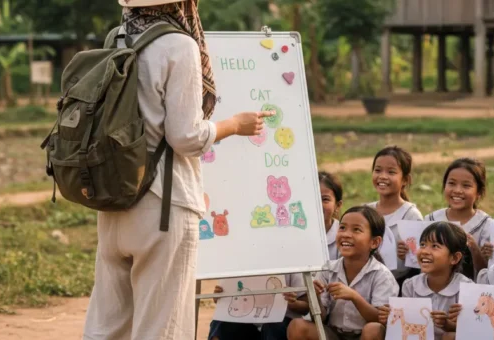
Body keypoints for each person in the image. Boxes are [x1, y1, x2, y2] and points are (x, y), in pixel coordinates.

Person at [84, 1, 274, 339]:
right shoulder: (179, 44)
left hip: (114, 199)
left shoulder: (118, 37)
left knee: (108, 323)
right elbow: (185, 136)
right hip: (163, 205)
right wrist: (232, 125)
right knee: (162, 326)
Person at [287, 206, 399, 340]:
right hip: (334, 334)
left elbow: (380, 319)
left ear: (374, 242)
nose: (346, 234)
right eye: (342, 228)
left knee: (373, 329)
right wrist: (315, 296)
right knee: (297, 326)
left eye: (356, 230)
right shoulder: (327, 269)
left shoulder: (382, 275)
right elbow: (320, 318)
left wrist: (354, 297)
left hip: (363, 335)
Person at [376, 222, 471, 340]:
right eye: (422, 244)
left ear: (455, 258)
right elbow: (406, 325)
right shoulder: (410, 285)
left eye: (435, 246)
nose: (425, 251)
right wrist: (389, 317)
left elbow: (471, 330)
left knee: (450, 336)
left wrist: (447, 324)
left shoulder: (466, 288)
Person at [365, 146, 423, 291]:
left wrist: (407, 255)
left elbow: (419, 263)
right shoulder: (365, 211)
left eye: (391, 172)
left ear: (405, 180)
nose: (383, 176)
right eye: (378, 170)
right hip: (365, 285)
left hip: (399, 287)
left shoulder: (411, 215)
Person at [424, 158, 490, 278]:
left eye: (466, 185)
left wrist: (475, 249)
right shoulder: (430, 220)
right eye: (452, 183)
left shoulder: (486, 225)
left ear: (479, 192)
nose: (457, 190)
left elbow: (487, 271)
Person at [320, 171, 344, 260]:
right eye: (313, 198)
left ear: (337, 205)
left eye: (325, 199)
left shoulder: (344, 237)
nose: (318, 204)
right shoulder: (293, 235)